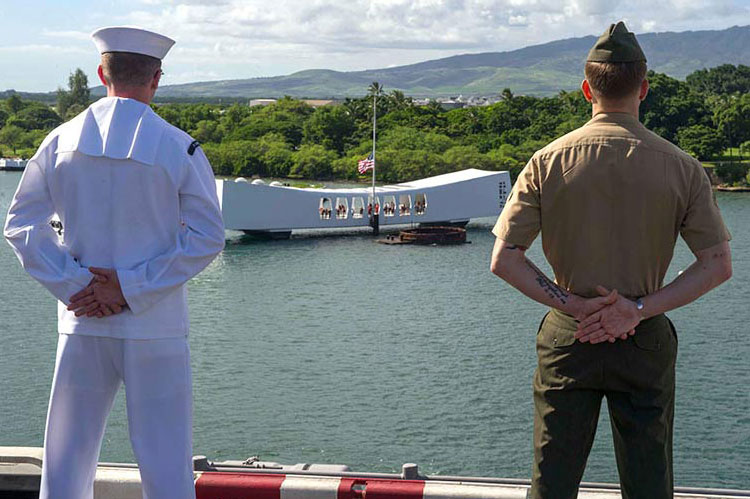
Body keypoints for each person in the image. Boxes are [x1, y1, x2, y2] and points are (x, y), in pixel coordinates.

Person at [489, 22, 732, 499]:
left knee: (552, 480)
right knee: (649, 483)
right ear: (643, 87)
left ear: (587, 89)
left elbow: (505, 259)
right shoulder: (682, 166)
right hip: (644, 338)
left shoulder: (547, 160)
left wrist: (579, 308)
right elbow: (717, 263)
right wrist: (635, 310)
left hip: (569, 335)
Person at [4, 26, 225, 499]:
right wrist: (128, 288)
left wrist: (75, 286)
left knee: (65, 458)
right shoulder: (178, 146)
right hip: (154, 325)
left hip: (81, 319)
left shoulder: (58, 141)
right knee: (166, 459)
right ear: (157, 78)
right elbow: (208, 236)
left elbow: (21, 226)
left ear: (102, 72)